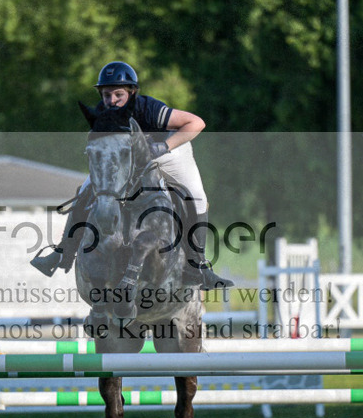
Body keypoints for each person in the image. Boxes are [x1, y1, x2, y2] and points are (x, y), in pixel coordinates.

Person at [31, 61, 233, 290]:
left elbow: (196, 123)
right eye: (107, 94)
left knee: (195, 196)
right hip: (128, 160)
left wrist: (163, 147)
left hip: (168, 152)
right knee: (86, 190)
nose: (112, 100)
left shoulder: (148, 108)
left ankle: (199, 265)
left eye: (118, 94)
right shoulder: (102, 113)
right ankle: (62, 253)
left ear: (132, 92)